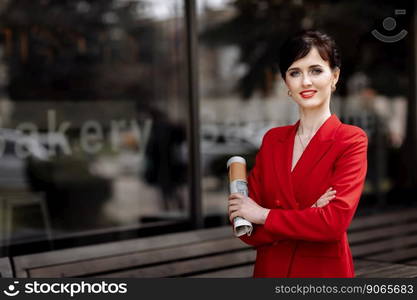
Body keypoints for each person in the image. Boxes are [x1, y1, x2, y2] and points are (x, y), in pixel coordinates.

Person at [228, 30, 368, 278]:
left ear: (334, 77)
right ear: (286, 84)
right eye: (295, 72)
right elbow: (245, 228)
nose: (305, 81)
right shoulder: (273, 140)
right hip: (270, 272)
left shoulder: (351, 139)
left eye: (316, 70)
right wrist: (309, 215)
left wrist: (263, 215)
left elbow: (332, 225)